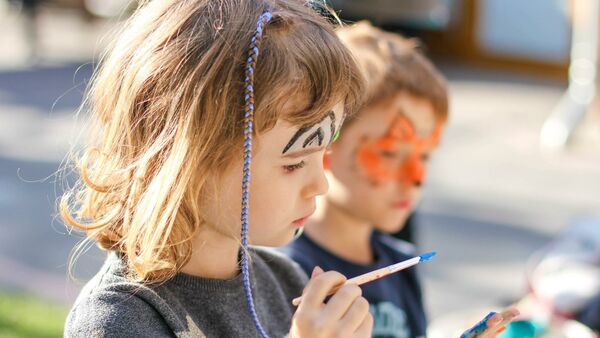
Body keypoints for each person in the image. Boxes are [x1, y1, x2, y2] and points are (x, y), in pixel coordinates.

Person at [60, 1, 373, 337]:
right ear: (191, 158)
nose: (320, 185)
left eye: (323, 153)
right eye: (294, 162)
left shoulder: (286, 285)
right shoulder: (117, 320)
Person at [280, 22, 516, 338]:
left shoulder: (402, 264)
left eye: (424, 156)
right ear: (323, 149)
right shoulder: (284, 274)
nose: (416, 178)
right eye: (390, 153)